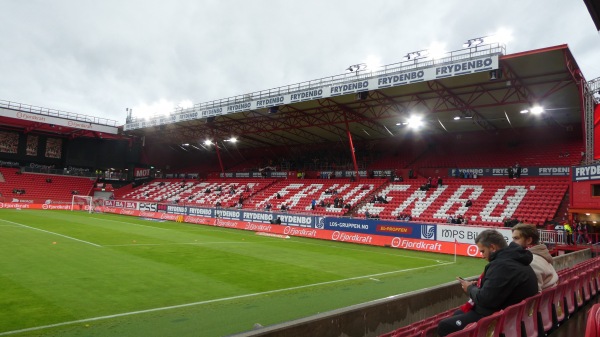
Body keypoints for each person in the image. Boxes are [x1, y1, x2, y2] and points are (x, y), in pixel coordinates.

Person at [437, 229, 538, 337]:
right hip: (513, 316)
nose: (482, 256)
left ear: (493, 247)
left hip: (499, 319)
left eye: (482, 251)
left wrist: (470, 288)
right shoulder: (516, 260)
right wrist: (478, 286)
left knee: (445, 325)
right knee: (457, 314)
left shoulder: (502, 265)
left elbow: (486, 299)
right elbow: (497, 290)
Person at [511, 223, 559, 291]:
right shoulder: (541, 256)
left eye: (516, 238)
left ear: (529, 240)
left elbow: (533, 295)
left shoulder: (531, 261)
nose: (512, 242)